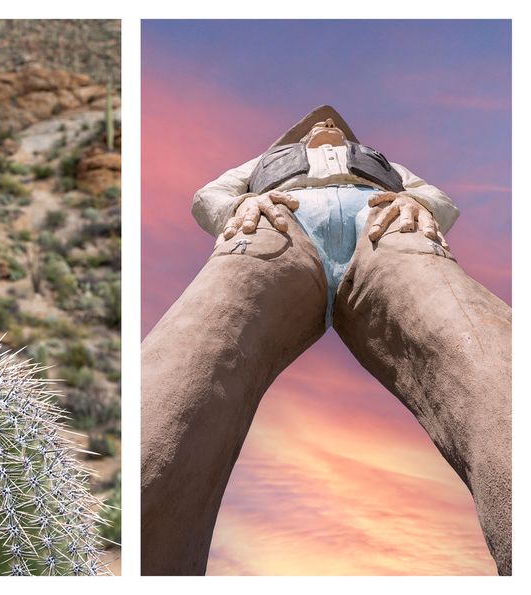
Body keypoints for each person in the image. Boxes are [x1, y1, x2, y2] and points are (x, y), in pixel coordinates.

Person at [141, 105, 511, 576]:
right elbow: (209, 194)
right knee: (187, 365)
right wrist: (237, 206)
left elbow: (432, 194)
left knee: (481, 349)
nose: (327, 124)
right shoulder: (263, 165)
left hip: (386, 225)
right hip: (275, 223)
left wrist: (420, 206)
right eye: (318, 123)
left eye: (335, 124)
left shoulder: (382, 165)